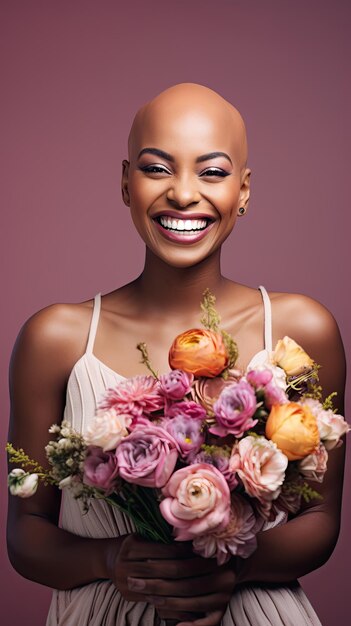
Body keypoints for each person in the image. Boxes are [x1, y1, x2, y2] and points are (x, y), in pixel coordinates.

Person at [7, 83, 346, 626]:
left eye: (212, 171)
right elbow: (26, 533)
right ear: (125, 183)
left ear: (244, 190)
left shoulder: (301, 330)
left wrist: (231, 566)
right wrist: (109, 559)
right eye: (157, 168)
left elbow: (322, 517)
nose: (184, 194)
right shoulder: (55, 339)